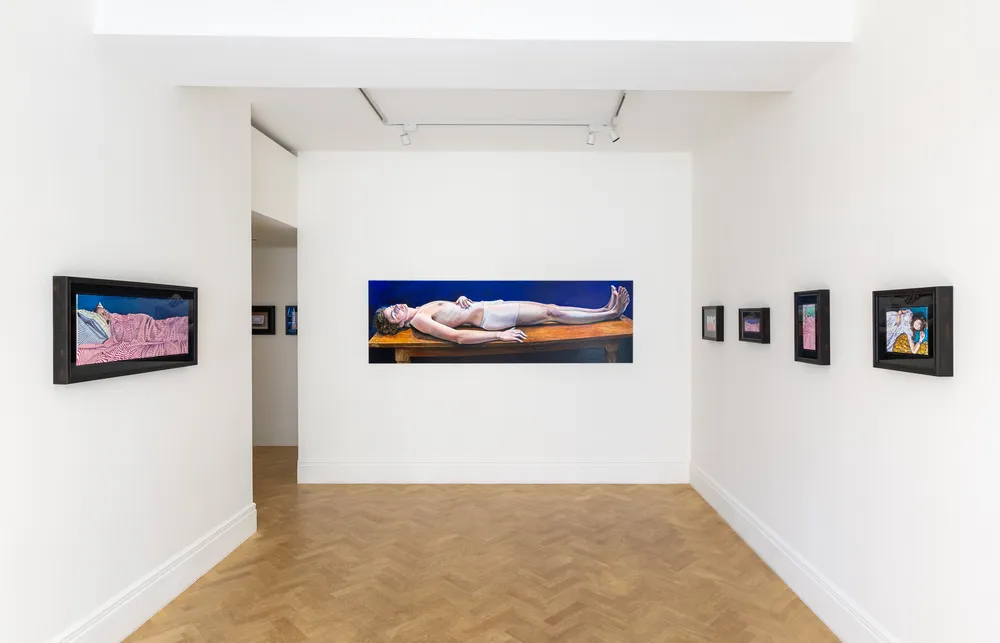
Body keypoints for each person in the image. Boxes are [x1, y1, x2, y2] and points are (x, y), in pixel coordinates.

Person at [373, 285, 631, 344]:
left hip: (491, 306)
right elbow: (457, 337)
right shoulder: (419, 320)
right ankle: (610, 315)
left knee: (551, 309)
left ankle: (604, 310)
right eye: (393, 314)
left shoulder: (420, 309)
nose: (397, 308)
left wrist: (458, 300)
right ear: (399, 325)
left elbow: (450, 311)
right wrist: (500, 335)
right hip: (492, 318)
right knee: (551, 312)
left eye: (393, 307)